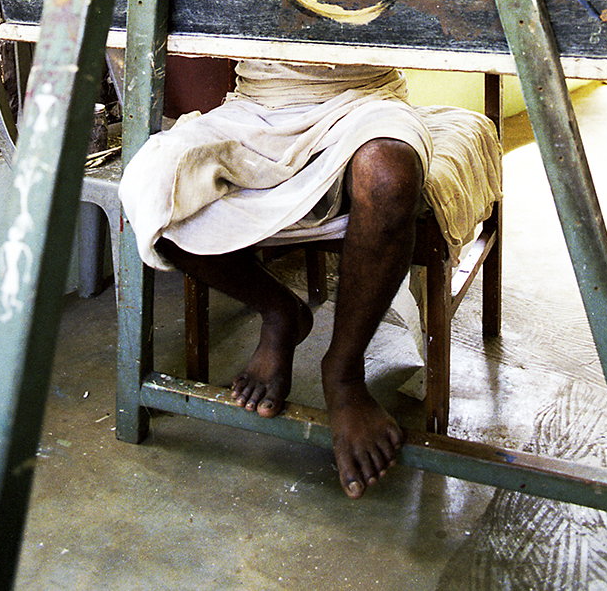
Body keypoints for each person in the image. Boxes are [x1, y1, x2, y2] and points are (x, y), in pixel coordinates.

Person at [119, 58, 500, 499]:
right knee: (149, 190)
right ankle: (280, 311)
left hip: (365, 103)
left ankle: (343, 372)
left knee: (387, 173)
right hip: (257, 106)